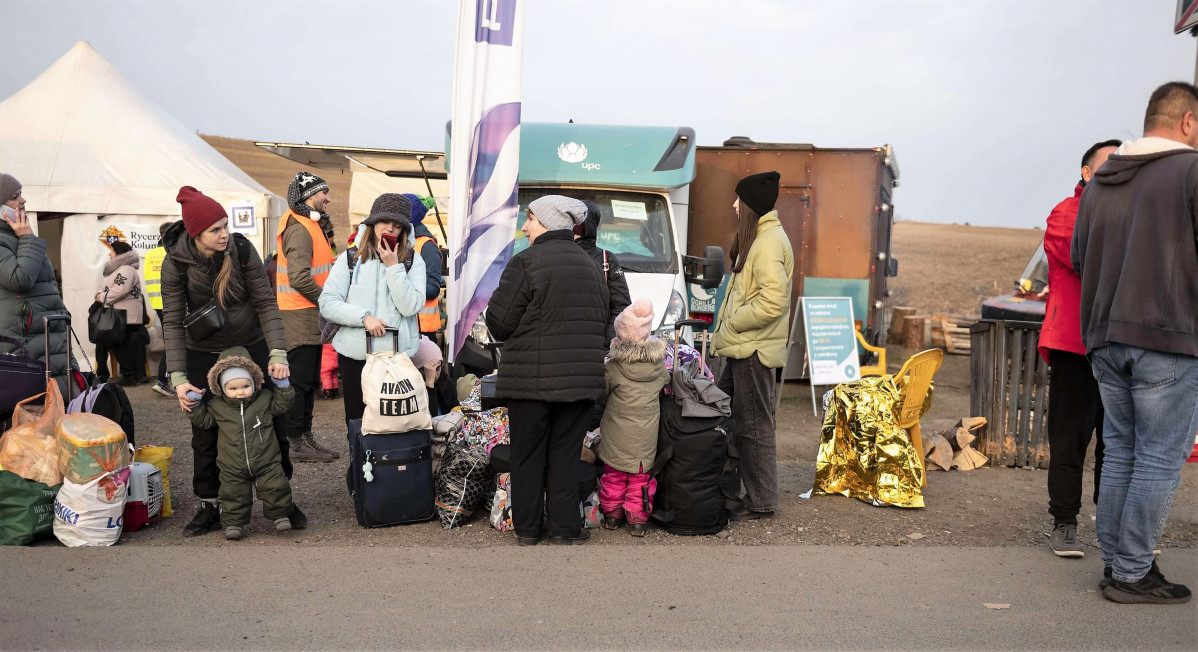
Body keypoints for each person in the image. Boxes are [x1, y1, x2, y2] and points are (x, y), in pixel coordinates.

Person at [1071, 81, 1198, 605]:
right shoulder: (1190, 171)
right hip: (1167, 335)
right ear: (1188, 122)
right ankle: (1130, 571)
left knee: (1121, 449)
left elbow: (1081, 258)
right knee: (1158, 459)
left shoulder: (1101, 182)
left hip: (1105, 337)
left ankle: (1118, 563)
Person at [161, 186, 297, 537]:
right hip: (201, 351)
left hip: (251, 344)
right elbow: (173, 320)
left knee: (273, 421)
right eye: (215, 229)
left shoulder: (240, 248)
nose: (224, 234)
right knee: (204, 431)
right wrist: (177, 376)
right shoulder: (175, 261)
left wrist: (278, 352)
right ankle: (210, 505)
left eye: (225, 225)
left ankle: (281, 497)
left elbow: (267, 302)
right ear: (196, 234)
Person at [485, 195, 607, 546]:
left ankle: (527, 529)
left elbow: (500, 322)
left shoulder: (526, 262)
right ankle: (566, 528)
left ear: (549, 224)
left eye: (531, 219)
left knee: (527, 455)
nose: (525, 227)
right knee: (566, 454)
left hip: (530, 383)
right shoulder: (591, 266)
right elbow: (602, 321)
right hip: (580, 381)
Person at [1038, 139, 1119, 558]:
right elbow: (1086, 259)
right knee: (1070, 440)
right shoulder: (1066, 213)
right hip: (1075, 345)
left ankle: (1112, 527)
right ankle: (1064, 523)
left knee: (1116, 442)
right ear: (1086, 172)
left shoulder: (1127, 215)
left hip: (1120, 345)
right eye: (1108, 164)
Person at [711, 171, 793, 521]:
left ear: (750, 206)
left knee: (754, 426)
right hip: (740, 348)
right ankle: (724, 489)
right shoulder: (759, 237)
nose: (733, 205)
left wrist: (732, 322)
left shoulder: (768, 241)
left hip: (752, 350)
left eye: (737, 199)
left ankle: (761, 501)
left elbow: (774, 301)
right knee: (721, 417)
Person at [318, 193, 425, 430]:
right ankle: (358, 466)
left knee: (395, 421)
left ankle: (391, 465)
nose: (390, 229)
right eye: (385, 222)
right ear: (372, 222)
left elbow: (410, 306)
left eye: (398, 226)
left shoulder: (412, 261)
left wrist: (393, 267)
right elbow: (327, 303)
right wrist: (363, 318)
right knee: (357, 420)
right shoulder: (351, 258)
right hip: (356, 355)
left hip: (397, 355)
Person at [187, 346, 301, 541]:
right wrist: (195, 406)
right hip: (232, 465)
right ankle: (233, 523)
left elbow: (282, 404)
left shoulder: (264, 400)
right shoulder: (217, 407)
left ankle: (281, 515)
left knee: (276, 488)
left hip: (266, 461)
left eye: (245, 386)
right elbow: (204, 421)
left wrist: (283, 387)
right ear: (222, 388)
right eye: (233, 388)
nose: (240, 392)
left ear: (254, 383)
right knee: (233, 494)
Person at [275, 172, 340, 462]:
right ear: (306, 196)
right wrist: (328, 302)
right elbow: (300, 278)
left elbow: (312, 269)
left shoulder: (309, 224)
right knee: (300, 383)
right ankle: (295, 442)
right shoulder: (300, 228)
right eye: (322, 192)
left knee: (309, 381)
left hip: (307, 313)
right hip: (299, 315)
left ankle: (305, 437)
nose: (327, 197)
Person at [0, 173, 78, 396]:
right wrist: (27, 238)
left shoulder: (17, 236)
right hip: (25, 338)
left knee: (62, 405)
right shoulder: (17, 238)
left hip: (46, 332)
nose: (23, 201)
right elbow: (20, 278)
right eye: (15, 197)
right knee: (37, 410)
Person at [597, 298, 669, 536]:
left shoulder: (614, 368)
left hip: (617, 436)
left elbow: (602, 392)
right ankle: (638, 520)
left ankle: (612, 516)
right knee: (640, 479)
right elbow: (666, 383)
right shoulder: (658, 367)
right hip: (645, 439)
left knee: (614, 477)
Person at [576, 200, 632, 347]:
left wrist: (606, 342)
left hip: (596, 347)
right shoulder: (555, 254)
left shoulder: (607, 259)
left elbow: (621, 305)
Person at [95, 240, 149, 385]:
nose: (109, 254)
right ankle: (109, 374)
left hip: (124, 316)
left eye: (112, 251)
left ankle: (126, 376)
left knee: (116, 344)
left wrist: (101, 297)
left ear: (119, 254)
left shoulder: (125, 269)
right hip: (121, 315)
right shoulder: (122, 269)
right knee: (110, 343)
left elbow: (120, 289)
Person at [404, 193, 444, 341]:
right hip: (404, 327)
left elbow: (433, 289)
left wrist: (400, 285)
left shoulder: (426, 246)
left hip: (422, 331)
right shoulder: (402, 242)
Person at [143, 221, 175, 396]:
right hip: (173, 304)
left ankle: (168, 379)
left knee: (173, 341)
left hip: (158, 305)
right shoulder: (171, 253)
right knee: (175, 342)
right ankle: (163, 379)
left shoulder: (150, 254)